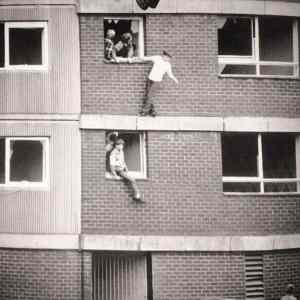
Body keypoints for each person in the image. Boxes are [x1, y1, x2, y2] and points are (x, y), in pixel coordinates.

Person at [139, 50, 178, 116]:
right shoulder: (157, 58)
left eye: (170, 58)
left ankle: (144, 111)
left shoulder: (168, 65)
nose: (169, 59)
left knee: (149, 96)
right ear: (164, 56)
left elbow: (170, 74)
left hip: (157, 82)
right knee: (149, 96)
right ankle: (152, 111)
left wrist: (175, 79)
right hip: (150, 79)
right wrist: (138, 58)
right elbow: (147, 58)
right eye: (168, 58)